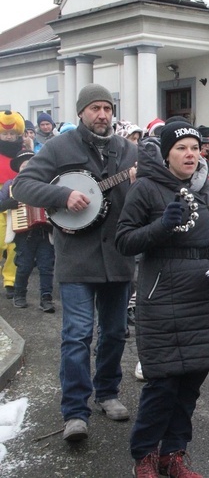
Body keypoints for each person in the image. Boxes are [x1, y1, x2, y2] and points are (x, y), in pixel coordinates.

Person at [12, 83, 138, 442]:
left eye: (107, 109)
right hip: (76, 258)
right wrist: (63, 195)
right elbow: (22, 185)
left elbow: (142, 196)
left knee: (115, 332)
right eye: (95, 108)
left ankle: (109, 393)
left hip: (118, 256)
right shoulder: (58, 147)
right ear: (82, 112)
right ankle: (74, 411)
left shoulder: (128, 151)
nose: (102, 115)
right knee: (77, 335)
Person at [116, 120, 209, 478]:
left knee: (190, 383)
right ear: (167, 153)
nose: (190, 154)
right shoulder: (147, 188)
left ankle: (174, 454)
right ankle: (145, 455)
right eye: (181, 148)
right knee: (163, 382)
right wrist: (161, 226)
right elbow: (124, 241)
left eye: (195, 148)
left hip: (201, 294)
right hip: (161, 294)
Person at [0, 150, 55, 312]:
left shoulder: (48, 184)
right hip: (23, 233)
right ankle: (19, 294)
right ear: (18, 168)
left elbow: (57, 203)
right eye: (24, 165)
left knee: (46, 266)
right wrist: (8, 204)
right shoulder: (10, 185)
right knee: (24, 265)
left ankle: (46, 298)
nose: (28, 168)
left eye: (31, 164)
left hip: (45, 231)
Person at [0, 111, 24, 300]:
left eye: (12, 134)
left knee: (13, 245)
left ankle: (10, 280)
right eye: (5, 134)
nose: (8, 137)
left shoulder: (22, 153)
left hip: (16, 200)